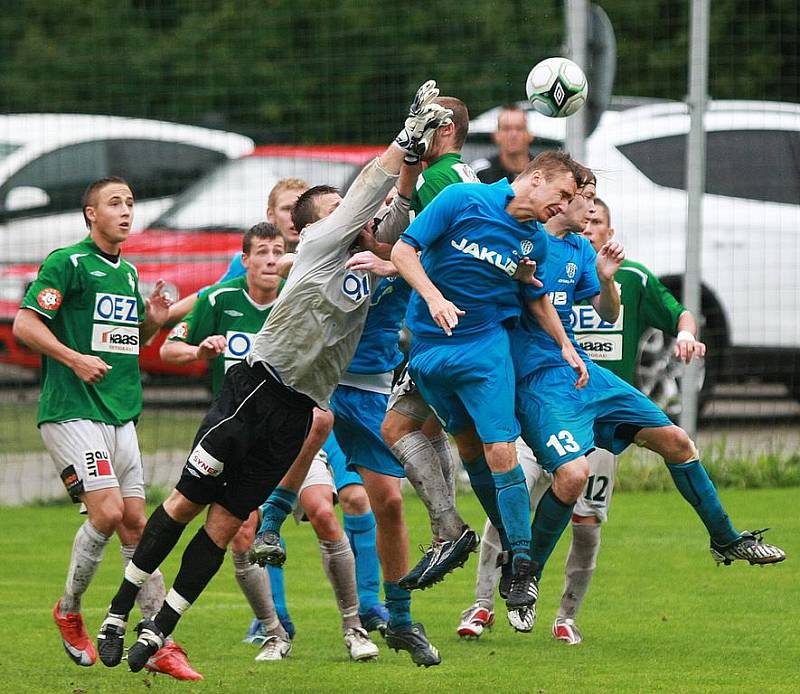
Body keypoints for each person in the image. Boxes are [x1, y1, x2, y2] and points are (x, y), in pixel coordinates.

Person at [95, 81, 452, 673]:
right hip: (254, 390)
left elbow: (396, 214)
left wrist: (413, 160)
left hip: (296, 412)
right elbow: (369, 191)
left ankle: (159, 630)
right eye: (337, 211)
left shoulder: (366, 261)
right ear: (315, 226)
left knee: (227, 522)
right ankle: (118, 609)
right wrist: (399, 140)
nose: (353, 217)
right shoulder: (317, 246)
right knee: (185, 505)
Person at [502, 175, 786, 633]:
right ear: (564, 201)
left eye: (596, 206)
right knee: (570, 477)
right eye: (587, 202)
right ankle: (524, 577)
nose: (592, 212)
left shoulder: (579, 252)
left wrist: (607, 281)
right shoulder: (523, 240)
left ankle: (726, 539)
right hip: (538, 385)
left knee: (677, 441)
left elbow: (609, 312)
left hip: (589, 380)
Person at [12, 177, 201, 680]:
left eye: (131, 203)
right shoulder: (67, 263)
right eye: (114, 203)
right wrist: (73, 359)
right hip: (71, 410)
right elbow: (25, 325)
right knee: (110, 510)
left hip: (120, 414)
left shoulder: (128, 272)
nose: (126, 211)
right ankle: (69, 608)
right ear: (90, 214)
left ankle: (158, 641)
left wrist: (154, 323)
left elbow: (122, 343)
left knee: (137, 524)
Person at [391, 150, 589, 612]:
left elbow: (535, 297)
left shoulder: (533, 241)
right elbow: (403, 250)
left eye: (570, 200)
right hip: (429, 348)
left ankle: (521, 566)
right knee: (467, 449)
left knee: (501, 449)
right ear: (536, 178)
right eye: (561, 194)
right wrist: (434, 297)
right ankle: (494, 544)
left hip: (485, 350)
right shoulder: (462, 199)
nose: (562, 206)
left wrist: (564, 344)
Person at [548, 197, 708, 644]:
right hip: (545, 412)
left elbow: (680, 313)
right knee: (514, 509)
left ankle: (566, 616)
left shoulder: (632, 278)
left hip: (602, 424)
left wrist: (686, 335)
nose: (588, 227)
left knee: (586, 521)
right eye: (583, 219)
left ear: (609, 233)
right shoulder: (553, 266)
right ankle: (483, 605)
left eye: (596, 221)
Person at [380, 96, 481, 591]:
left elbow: (388, 234)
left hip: (446, 329)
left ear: (442, 130)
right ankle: (452, 531)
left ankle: (454, 531)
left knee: (397, 428)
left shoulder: (436, 180)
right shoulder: (460, 175)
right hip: (467, 324)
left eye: (421, 124)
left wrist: (406, 167)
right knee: (434, 428)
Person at [166, 178, 309, 323]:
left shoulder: (326, 259)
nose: (295, 216)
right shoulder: (250, 262)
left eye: (301, 209)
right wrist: (159, 319)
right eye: (287, 209)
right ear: (271, 215)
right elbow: (208, 298)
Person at [471, 105, 534, 184]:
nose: (513, 134)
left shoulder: (543, 171)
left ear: (530, 135)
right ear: (496, 135)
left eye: (519, 128)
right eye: (506, 129)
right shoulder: (479, 173)